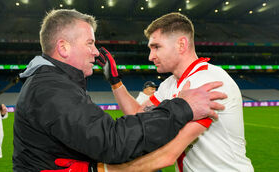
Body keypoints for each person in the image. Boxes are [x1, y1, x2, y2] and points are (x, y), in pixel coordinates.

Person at [13, 9, 226, 172]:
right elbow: (114, 142)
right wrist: (184, 106)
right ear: (63, 47)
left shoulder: (54, 82)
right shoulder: (51, 88)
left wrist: (116, 83)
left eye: (156, 47)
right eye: (90, 43)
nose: (96, 52)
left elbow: (136, 119)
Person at [92, 12, 254, 171]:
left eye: (156, 47)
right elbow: (136, 114)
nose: (150, 56)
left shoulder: (208, 81)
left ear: (181, 44)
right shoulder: (169, 84)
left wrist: (107, 170)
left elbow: (168, 153)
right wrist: (115, 82)